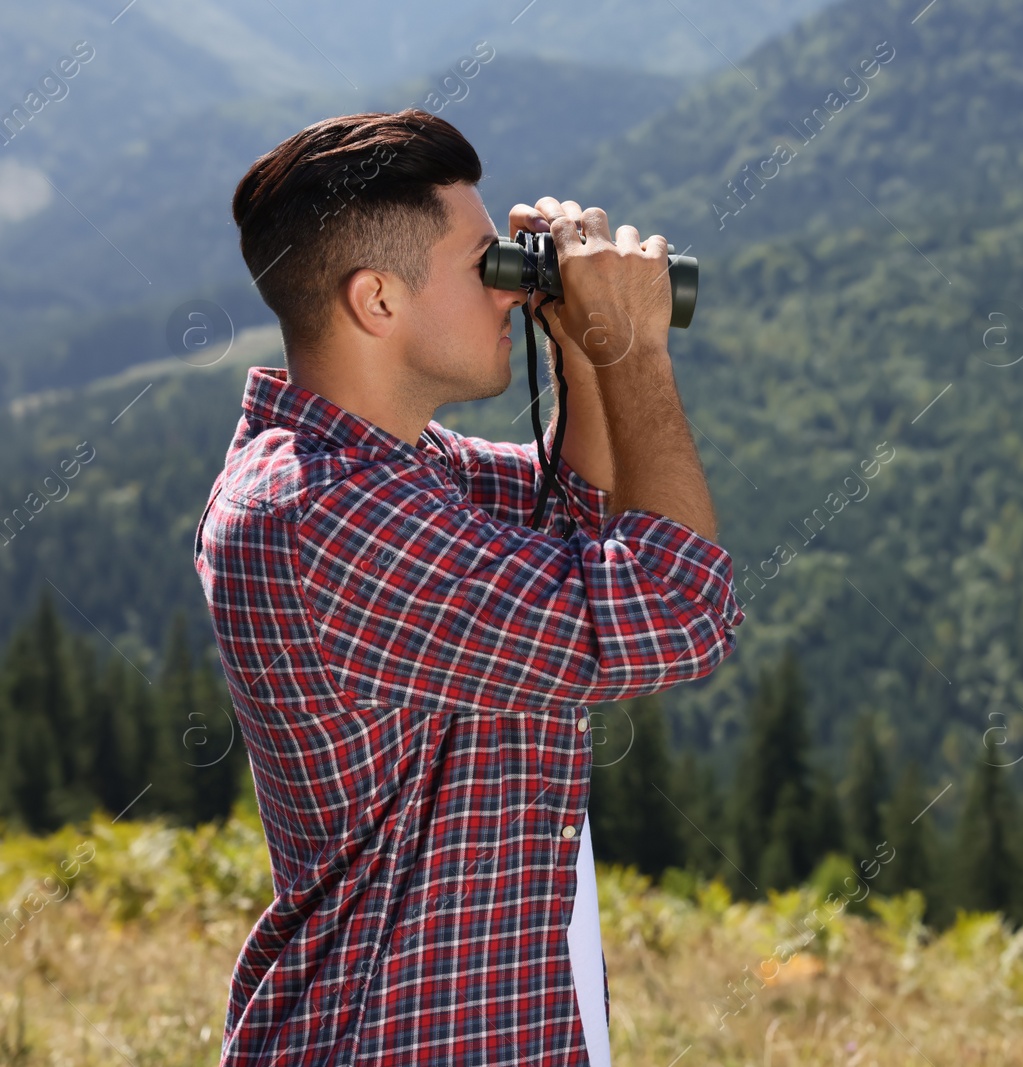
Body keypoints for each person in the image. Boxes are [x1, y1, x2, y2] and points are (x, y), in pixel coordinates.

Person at [192, 108, 743, 1066]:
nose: (509, 293)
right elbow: (681, 609)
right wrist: (633, 346)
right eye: (488, 266)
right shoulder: (322, 513)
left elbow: (581, 521)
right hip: (394, 1037)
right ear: (377, 300)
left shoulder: (398, 470)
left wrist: (579, 338)